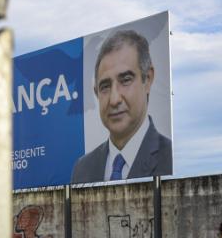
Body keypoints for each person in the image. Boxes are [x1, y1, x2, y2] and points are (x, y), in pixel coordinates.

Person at [70, 29, 172, 183]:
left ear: (148, 79)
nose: (114, 99)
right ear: (96, 92)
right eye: (105, 86)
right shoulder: (82, 168)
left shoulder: (168, 157)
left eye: (125, 80)